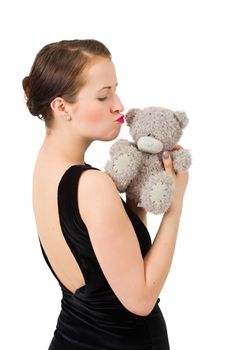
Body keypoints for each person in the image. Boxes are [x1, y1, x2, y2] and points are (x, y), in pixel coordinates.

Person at [22, 39, 189, 350]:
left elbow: (101, 268)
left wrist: (135, 199)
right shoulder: (92, 185)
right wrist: (174, 207)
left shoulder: (46, 167)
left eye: (115, 89)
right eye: (103, 96)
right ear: (61, 107)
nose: (119, 105)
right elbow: (140, 299)